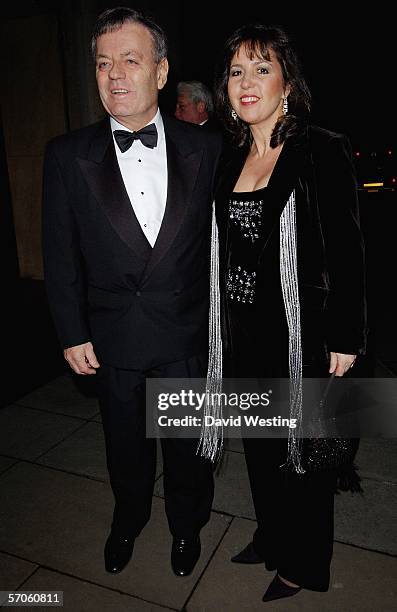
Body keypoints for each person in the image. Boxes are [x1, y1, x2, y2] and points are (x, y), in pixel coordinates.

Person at [42, 7, 221, 577]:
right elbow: (59, 253)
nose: (114, 74)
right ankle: (129, 520)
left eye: (130, 59)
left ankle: (187, 527)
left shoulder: (207, 148)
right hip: (112, 339)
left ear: (162, 72)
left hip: (186, 334)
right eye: (102, 62)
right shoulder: (68, 154)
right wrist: (71, 331)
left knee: (189, 452)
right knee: (125, 451)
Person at [210, 23, 367, 602]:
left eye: (261, 68)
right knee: (260, 448)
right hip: (244, 331)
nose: (246, 82)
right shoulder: (231, 157)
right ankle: (273, 537)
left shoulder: (320, 147)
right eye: (235, 71)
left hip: (303, 333)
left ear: (287, 82)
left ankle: (304, 562)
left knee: (303, 457)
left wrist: (347, 338)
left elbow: (348, 252)